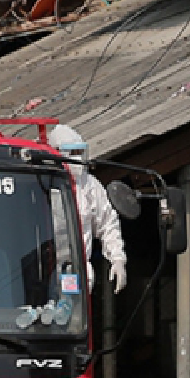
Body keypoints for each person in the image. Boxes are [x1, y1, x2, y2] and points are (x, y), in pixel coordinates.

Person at [48, 123, 128, 294]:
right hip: (42, 272)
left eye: (79, 152)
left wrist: (118, 259)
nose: (76, 159)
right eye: (71, 153)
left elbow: (108, 224)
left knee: (73, 316)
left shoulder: (89, 186)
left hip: (77, 275)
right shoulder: (42, 183)